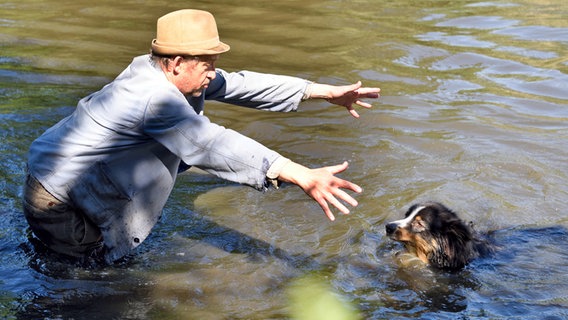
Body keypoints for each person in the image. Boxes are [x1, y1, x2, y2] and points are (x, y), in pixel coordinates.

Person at [22, 9, 381, 264]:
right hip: (58, 196)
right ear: (176, 63)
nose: (213, 72)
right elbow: (210, 143)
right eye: (207, 63)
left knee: (76, 260)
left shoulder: (162, 69)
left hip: (62, 171)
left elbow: (242, 83)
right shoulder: (154, 97)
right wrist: (296, 172)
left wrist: (321, 92)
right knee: (85, 282)